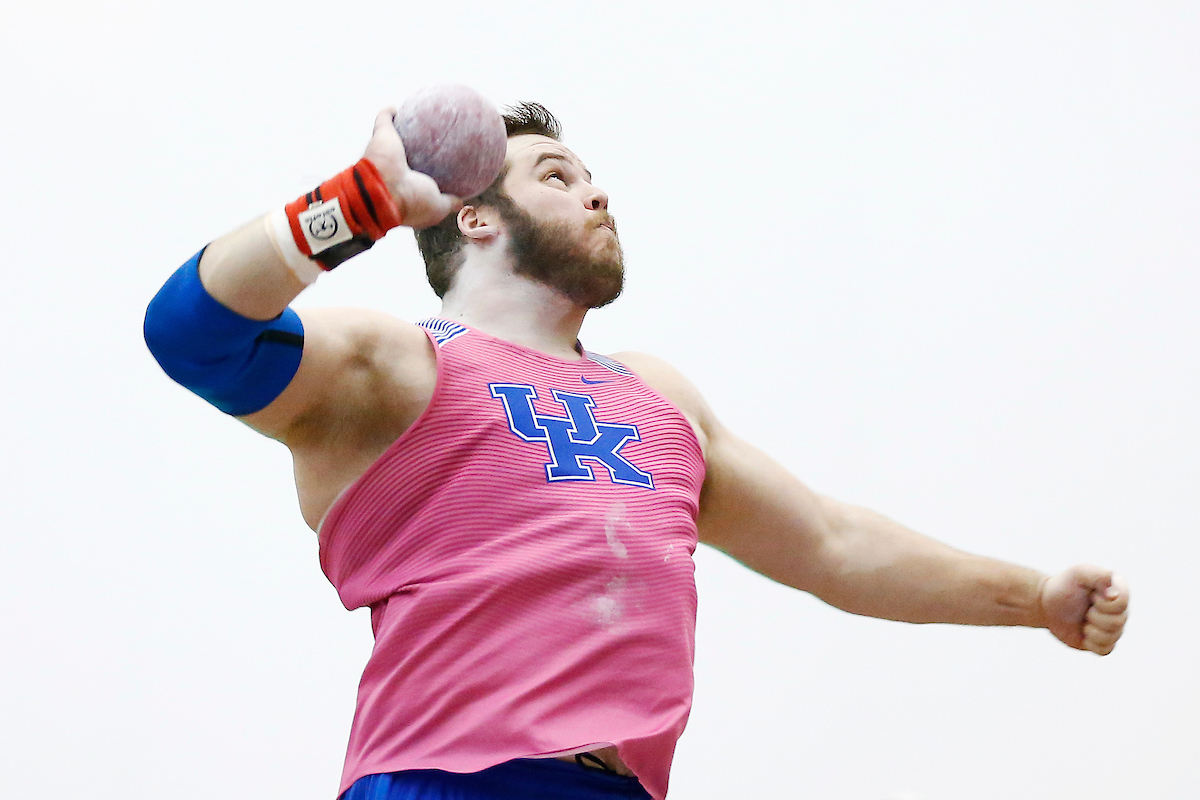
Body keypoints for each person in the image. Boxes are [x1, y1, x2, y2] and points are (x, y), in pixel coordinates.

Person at [144, 101, 1129, 800]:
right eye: (557, 176)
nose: (598, 194)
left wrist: (1034, 596)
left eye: (593, 178)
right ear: (474, 215)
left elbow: (833, 544)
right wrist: (356, 201)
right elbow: (190, 332)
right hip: (450, 780)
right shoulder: (399, 367)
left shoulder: (657, 397)